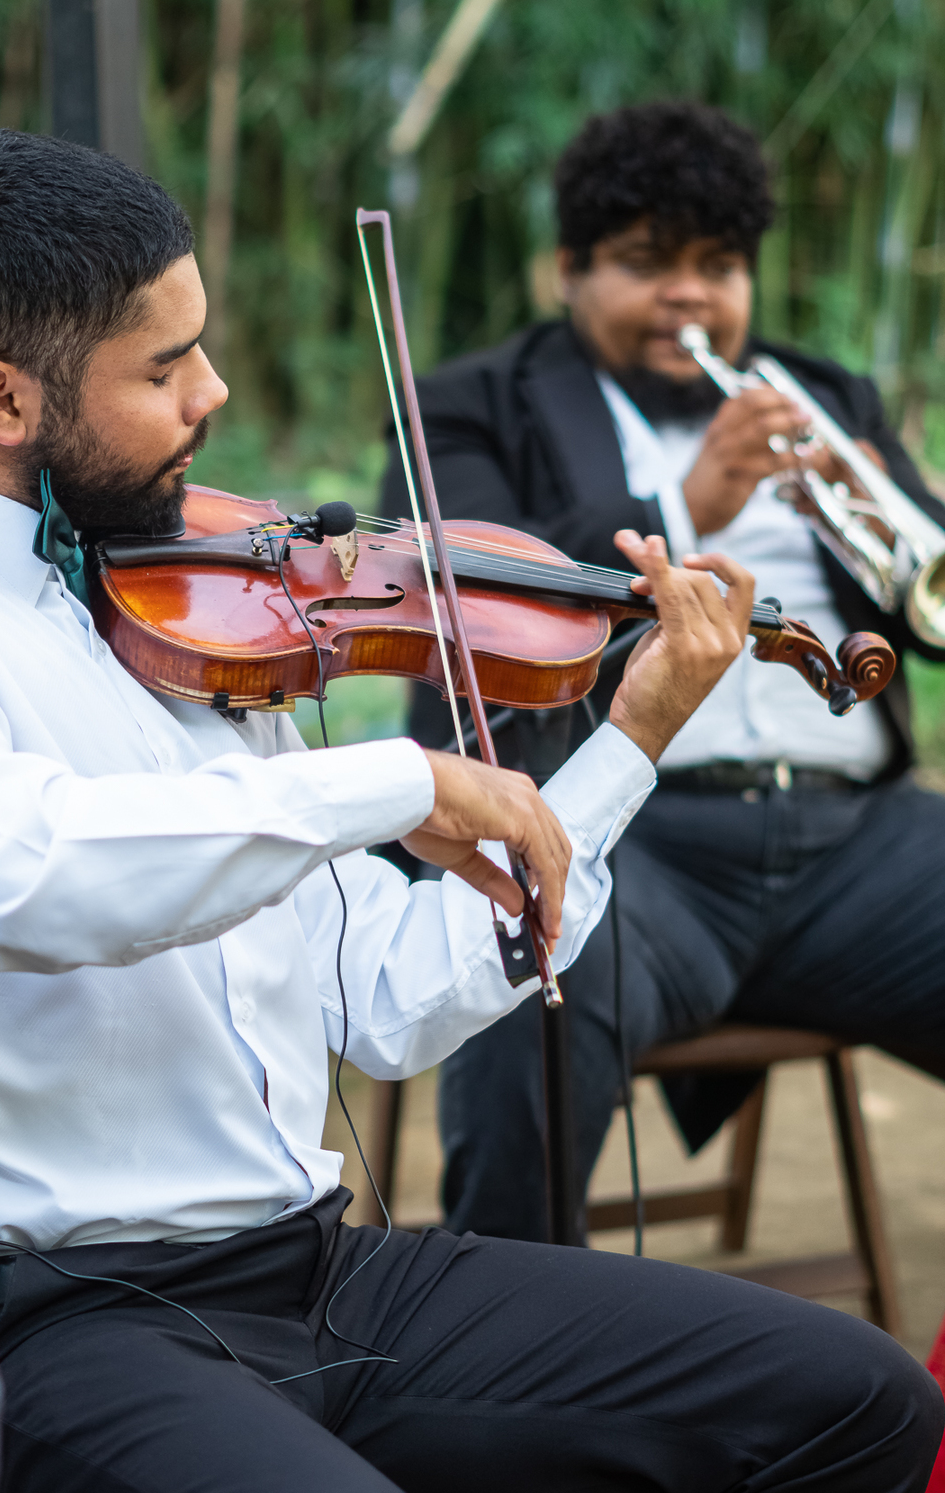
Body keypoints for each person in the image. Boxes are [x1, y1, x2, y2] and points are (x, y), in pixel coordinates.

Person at [0, 129, 938, 1493]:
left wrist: (626, 745)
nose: (214, 397)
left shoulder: (179, 603)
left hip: (313, 1274)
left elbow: (378, 1001)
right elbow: (17, 870)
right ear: (1, 397)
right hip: (38, 1334)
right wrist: (395, 785)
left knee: (850, 1411)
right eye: (164, 368)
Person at [380, 99, 945, 1253]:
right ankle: (517, 1352)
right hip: (631, 851)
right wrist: (686, 507)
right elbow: (477, 602)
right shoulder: (472, 404)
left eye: (719, 264)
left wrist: (882, 495)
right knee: (528, 983)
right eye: (646, 262)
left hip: (855, 851)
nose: (690, 294)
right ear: (568, 271)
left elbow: (927, 610)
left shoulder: (820, 398)